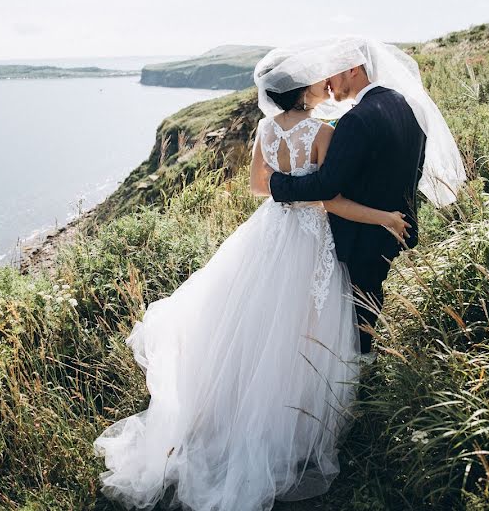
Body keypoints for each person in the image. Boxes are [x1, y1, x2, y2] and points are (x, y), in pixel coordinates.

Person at [92, 41, 421, 511]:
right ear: (305, 90)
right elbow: (328, 198)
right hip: (311, 238)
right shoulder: (323, 131)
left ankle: (239, 402)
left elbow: (256, 186)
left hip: (270, 230)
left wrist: (282, 193)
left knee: (254, 315)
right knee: (306, 323)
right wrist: (383, 216)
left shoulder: (266, 130)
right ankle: (296, 414)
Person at [262, 37, 466, 357]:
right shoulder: (404, 104)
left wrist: (277, 185)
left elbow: (326, 187)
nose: (328, 83)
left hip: (360, 236)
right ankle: (364, 366)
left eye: (334, 73)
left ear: (354, 69)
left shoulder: (356, 120)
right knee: (369, 306)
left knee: (356, 319)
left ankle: (360, 376)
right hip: (392, 229)